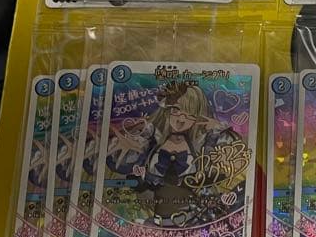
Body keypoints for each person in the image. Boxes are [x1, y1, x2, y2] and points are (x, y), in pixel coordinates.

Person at [105, 81, 247, 227]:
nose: (181, 119)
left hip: (195, 221)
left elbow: (230, 163)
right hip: (159, 223)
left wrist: (215, 132)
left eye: (190, 115)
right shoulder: (154, 140)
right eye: (176, 110)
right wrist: (138, 174)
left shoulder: (201, 145)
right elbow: (127, 171)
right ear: (167, 109)